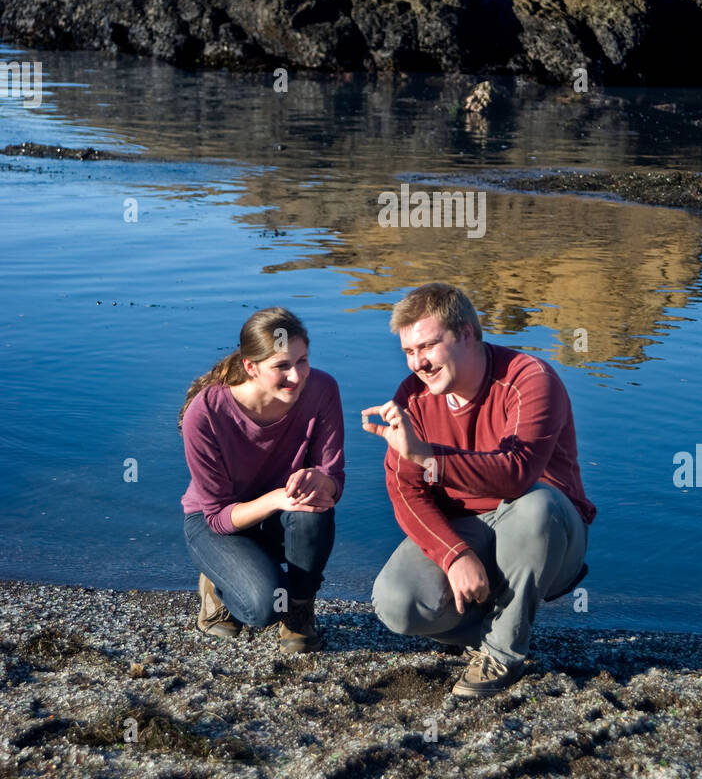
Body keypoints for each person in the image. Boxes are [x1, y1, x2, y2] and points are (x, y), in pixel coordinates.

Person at [363, 282, 596, 697]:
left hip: (548, 533)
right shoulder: (413, 397)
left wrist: (427, 456)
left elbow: (516, 475)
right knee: (396, 603)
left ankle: (503, 652)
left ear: (467, 334)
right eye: (408, 352)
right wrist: (454, 556)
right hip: (470, 528)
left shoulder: (529, 378)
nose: (418, 363)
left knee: (535, 510)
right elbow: (405, 492)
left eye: (428, 347)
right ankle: (483, 624)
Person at [179, 306, 344, 654]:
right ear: (251, 367)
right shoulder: (206, 414)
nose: (297, 376)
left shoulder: (323, 390)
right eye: (281, 366)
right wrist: (278, 498)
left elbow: (334, 478)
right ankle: (218, 583)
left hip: (282, 519)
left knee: (312, 510)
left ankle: (299, 612)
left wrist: (321, 481)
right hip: (216, 525)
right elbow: (217, 517)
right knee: (265, 607)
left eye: (302, 361)